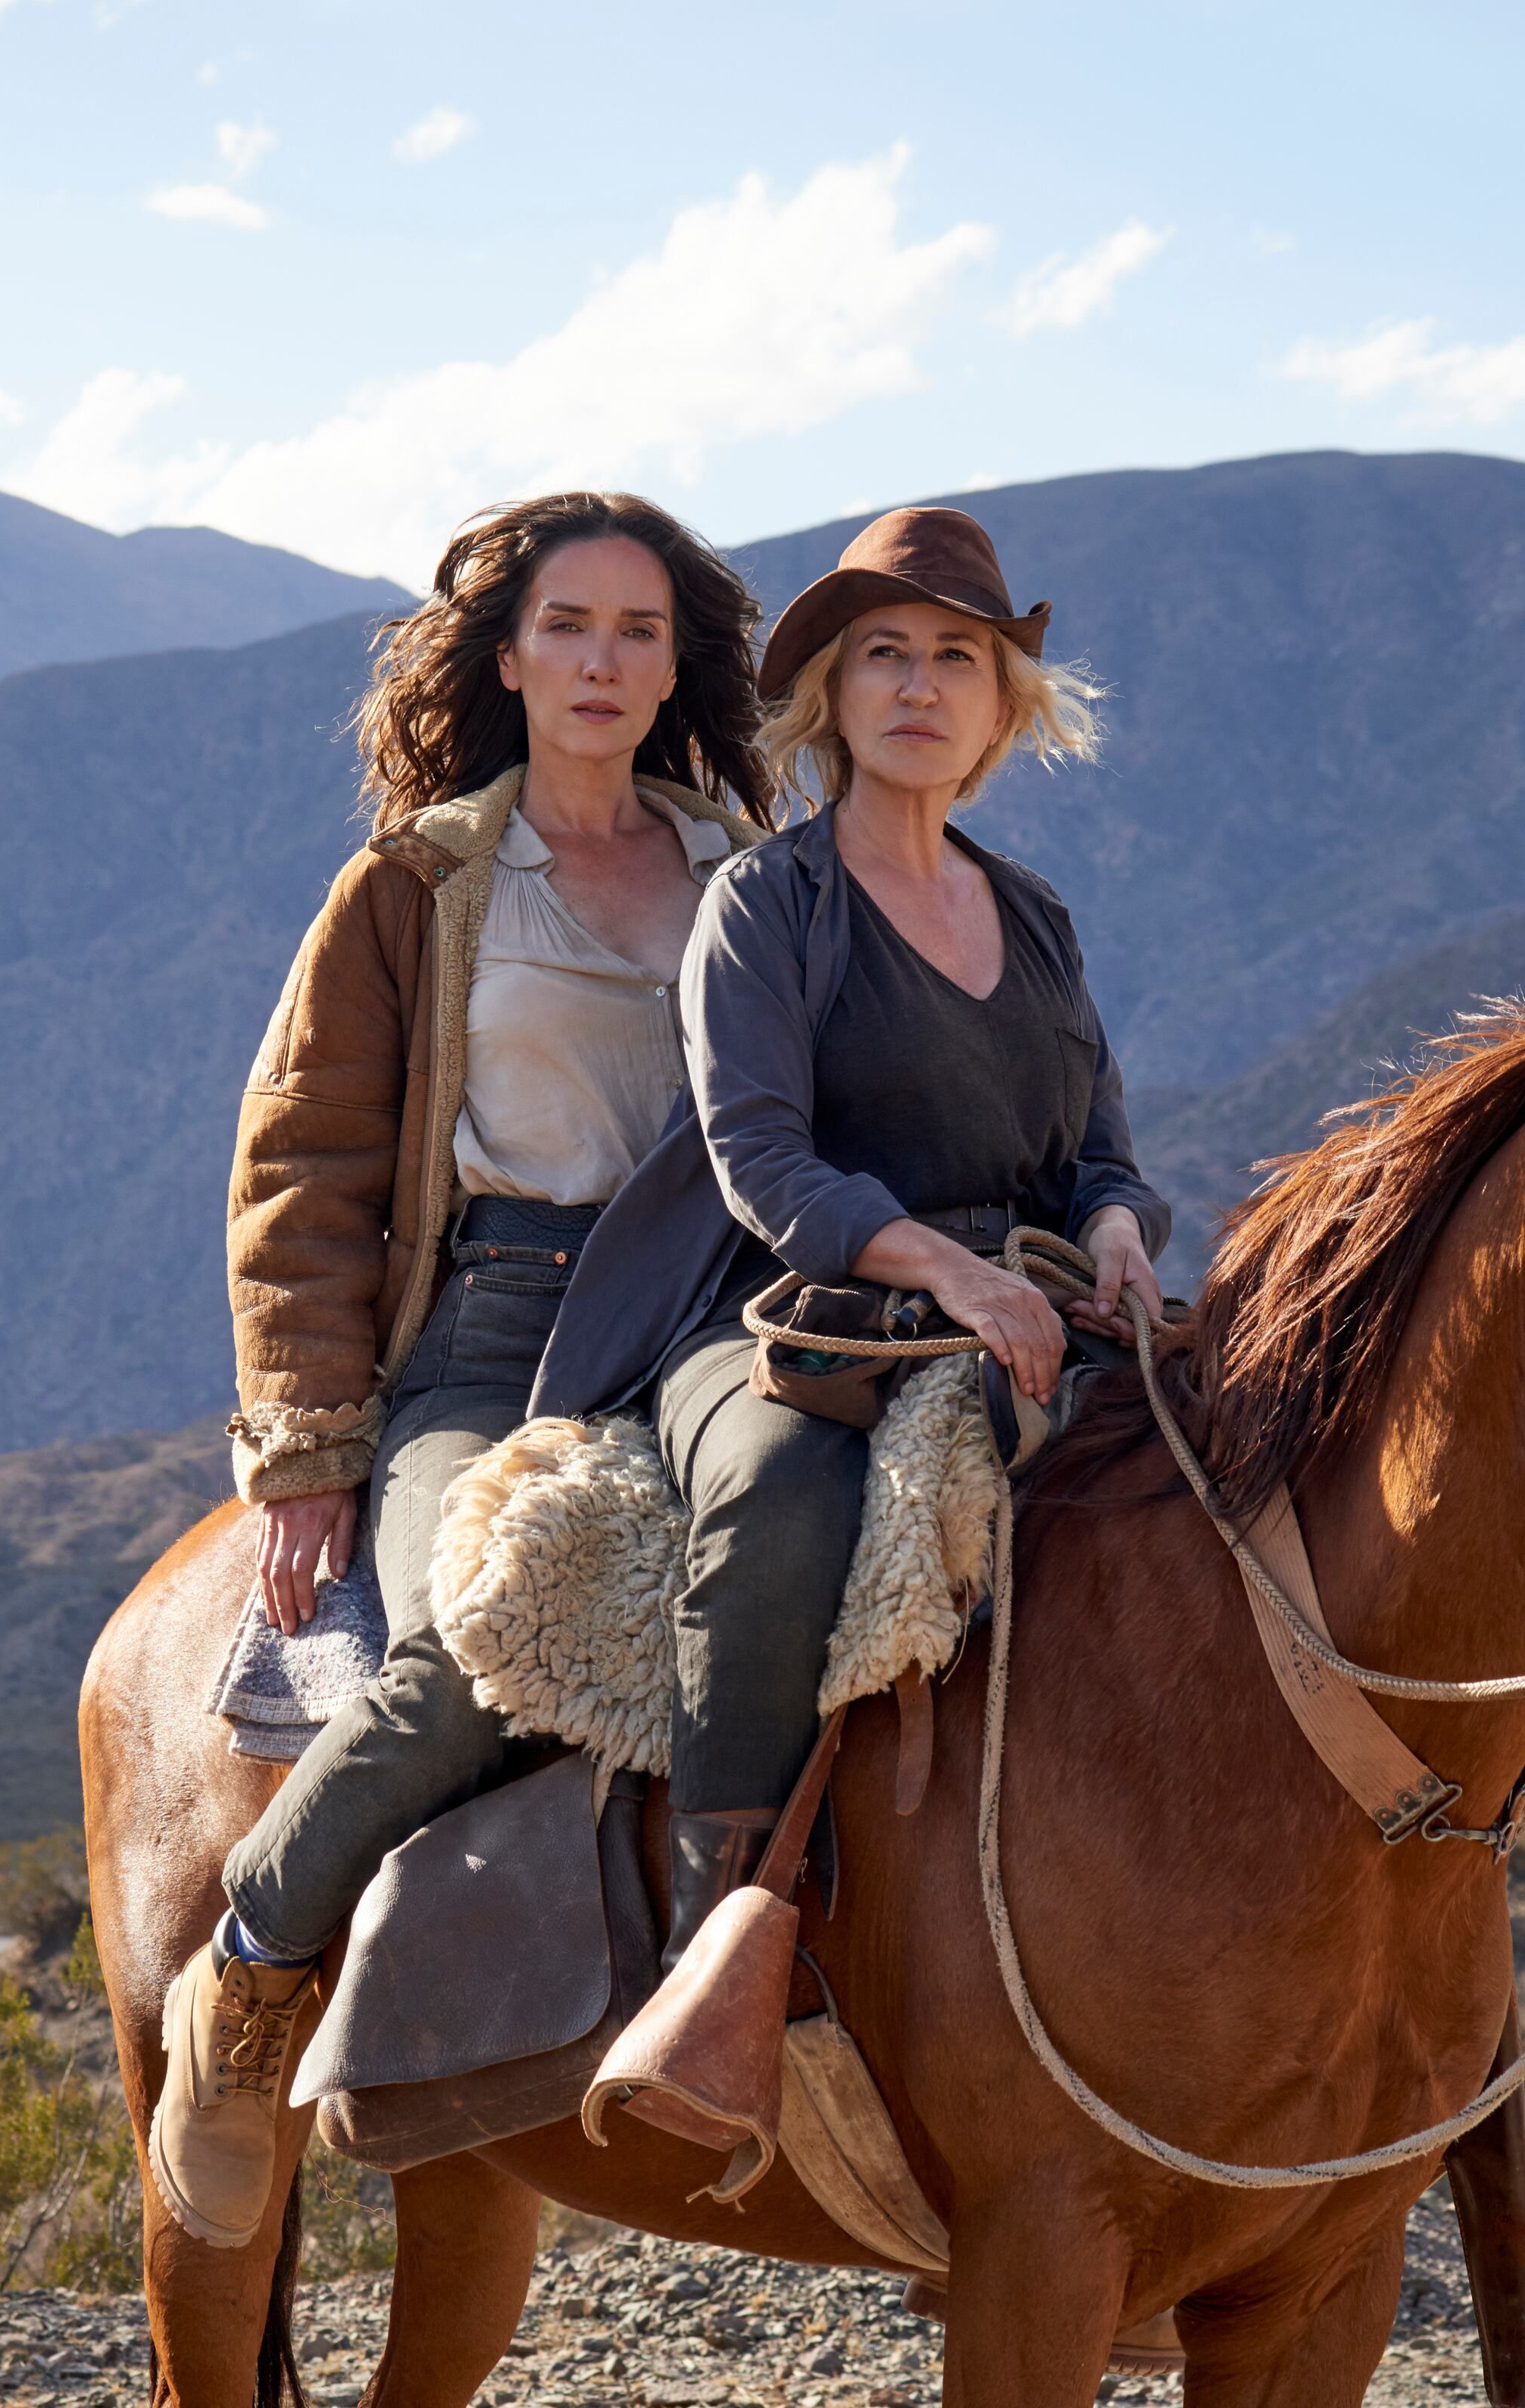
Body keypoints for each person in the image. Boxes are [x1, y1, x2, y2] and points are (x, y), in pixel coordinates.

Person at [152, 493, 777, 2247]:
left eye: (637, 631)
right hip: (490, 1331)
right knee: (491, 1634)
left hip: (704, 1325)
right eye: (568, 626)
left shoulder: (748, 876)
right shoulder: (418, 882)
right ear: (508, 659)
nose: (602, 660)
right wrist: (303, 1453)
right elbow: (302, 1168)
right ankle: (258, 1963)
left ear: (675, 669)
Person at [530, 505, 1170, 1960]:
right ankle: (724, 1938)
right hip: (784, 1313)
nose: (922, 685)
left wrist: (1121, 1231)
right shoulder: (770, 899)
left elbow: (1102, 1151)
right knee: (774, 1508)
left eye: (958, 656)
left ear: (1004, 703)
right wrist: (947, 1267)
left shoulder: (1037, 913)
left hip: (1028, 1304)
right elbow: (761, 1158)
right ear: (834, 693)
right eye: (887, 653)